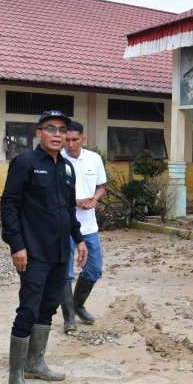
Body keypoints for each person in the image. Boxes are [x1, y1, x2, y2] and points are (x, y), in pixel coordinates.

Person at [0, 110, 86, 384]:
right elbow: (9, 205)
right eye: (51, 128)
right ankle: (16, 376)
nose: (58, 134)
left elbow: (68, 210)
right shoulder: (25, 163)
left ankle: (36, 363)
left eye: (62, 129)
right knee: (28, 308)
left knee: (49, 306)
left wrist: (79, 239)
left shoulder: (66, 168)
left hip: (61, 251)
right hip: (34, 251)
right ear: (39, 133)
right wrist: (16, 244)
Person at [59, 120, 107, 333]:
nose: (70, 144)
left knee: (94, 269)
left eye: (74, 139)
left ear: (83, 139)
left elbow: (101, 186)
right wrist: (75, 202)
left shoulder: (94, 159)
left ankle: (78, 305)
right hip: (65, 226)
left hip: (89, 226)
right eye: (66, 140)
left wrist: (95, 199)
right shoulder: (57, 159)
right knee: (65, 273)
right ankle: (69, 317)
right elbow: (52, 195)